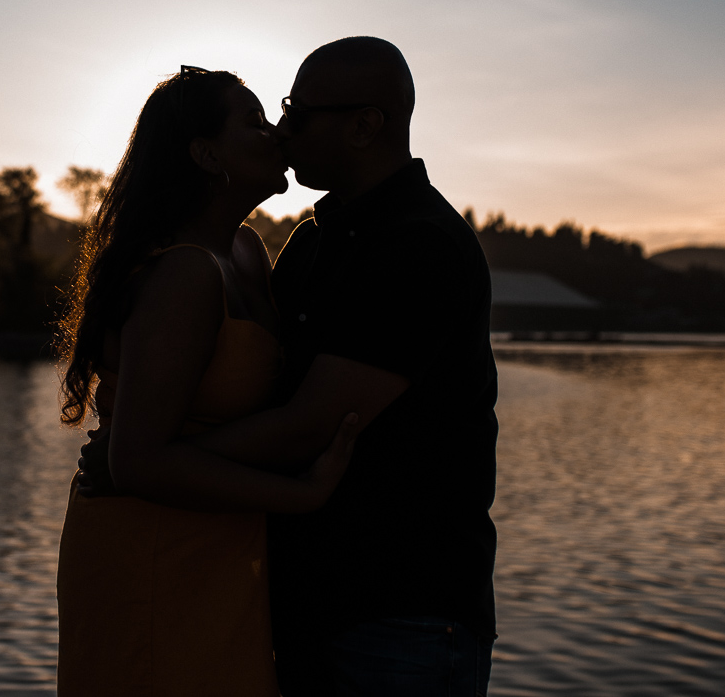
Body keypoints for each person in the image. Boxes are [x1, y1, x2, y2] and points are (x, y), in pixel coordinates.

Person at [186, 36, 499, 695]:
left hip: (403, 618)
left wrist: (158, 462)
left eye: (299, 113)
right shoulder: (312, 241)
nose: (282, 129)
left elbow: (314, 423)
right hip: (307, 604)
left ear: (364, 125)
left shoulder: (420, 245)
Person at [55, 66, 359, 697]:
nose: (276, 132)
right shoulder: (185, 275)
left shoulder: (245, 251)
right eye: (253, 121)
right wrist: (300, 496)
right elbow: (136, 462)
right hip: (150, 548)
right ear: (205, 153)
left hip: (220, 548)